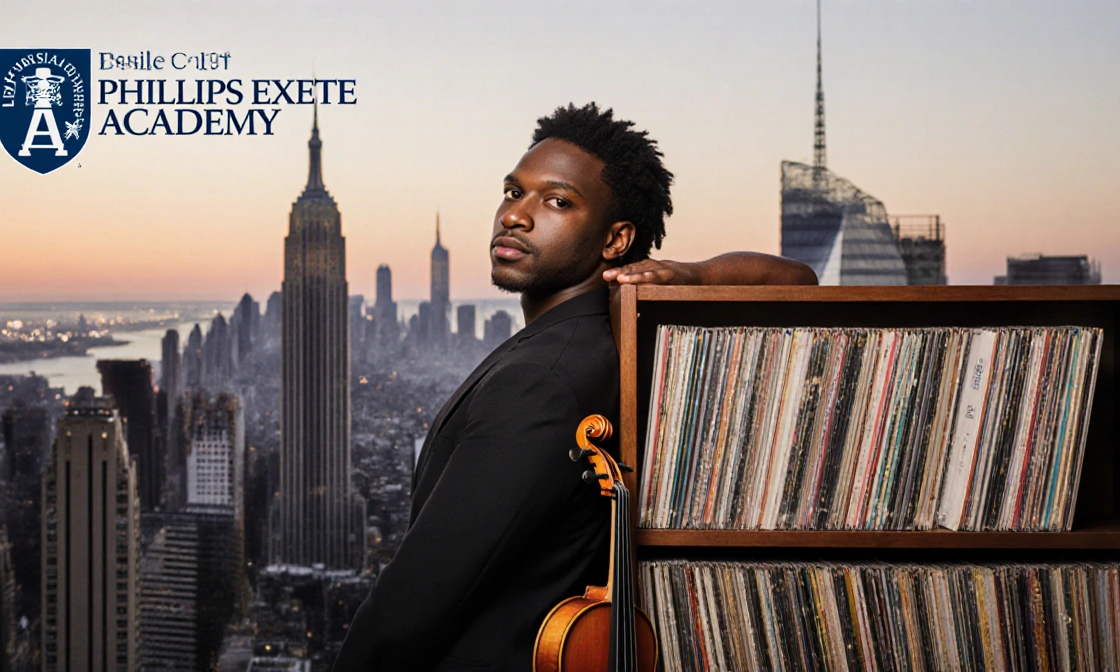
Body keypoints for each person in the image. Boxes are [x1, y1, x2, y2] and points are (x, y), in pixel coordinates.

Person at [332, 103, 816, 672]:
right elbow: (798, 279)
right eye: (514, 192)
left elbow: (410, 606)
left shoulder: (542, 380)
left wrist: (690, 273)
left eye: (557, 201)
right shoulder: (608, 342)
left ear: (616, 241)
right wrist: (698, 275)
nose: (516, 215)